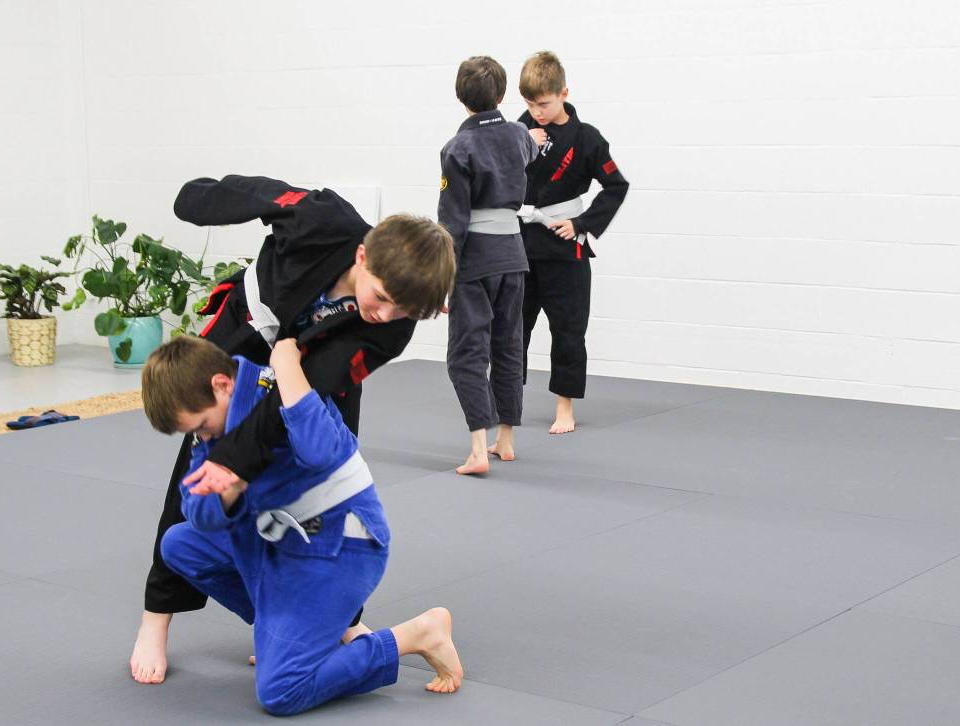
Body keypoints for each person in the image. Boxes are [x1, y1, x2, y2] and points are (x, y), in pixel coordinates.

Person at [130, 175, 455, 684]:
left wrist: (238, 460)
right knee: (198, 477)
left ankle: (333, 621)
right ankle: (157, 617)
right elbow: (255, 195)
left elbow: (296, 395)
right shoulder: (323, 218)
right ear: (363, 256)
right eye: (383, 297)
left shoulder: (392, 325)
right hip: (246, 335)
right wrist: (201, 199)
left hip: (307, 375)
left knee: (323, 483)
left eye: (404, 310)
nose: (386, 314)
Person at [141, 335, 463, 715]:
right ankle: (286, 635)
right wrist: (228, 492)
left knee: (280, 691)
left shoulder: (282, 393)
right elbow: (196, 507)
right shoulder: (212, 425)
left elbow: (321, 451)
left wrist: (288, 368)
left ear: (222, 384)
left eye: (203, 426)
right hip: (283, 545)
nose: (203, 436)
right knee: (178, 543)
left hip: (342, 547)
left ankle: (414, 636)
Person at [438, 56, 541, 475]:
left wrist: (442, 278)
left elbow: (453, 221)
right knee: (508, 345)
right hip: (514, 255)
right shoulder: (519, 136)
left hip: (475, 260)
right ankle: (506, 440)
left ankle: (479, 449)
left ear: (460, 97)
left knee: (467, 352)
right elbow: (530, 147)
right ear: (502, 94)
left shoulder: (457, 148)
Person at [516, 51, 629, 433]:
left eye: (544, 104)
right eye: (530, 104)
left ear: (563, 93)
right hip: (521, 244)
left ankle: (564, 407)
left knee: (568, 329)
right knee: (513, 328)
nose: (537, 112)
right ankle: (508, 401)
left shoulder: (587, 138)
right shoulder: (519, 130)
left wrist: (581, 223)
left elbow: (616, 186)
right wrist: (520, 143)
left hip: (565, 248)